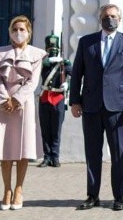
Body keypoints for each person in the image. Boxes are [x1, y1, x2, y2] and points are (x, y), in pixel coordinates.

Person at [69, 4, 123, 212]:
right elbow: (77, 73)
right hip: (91, 106)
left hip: (118, 107)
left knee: (119, 153)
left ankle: (119, 196)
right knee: (92, 153)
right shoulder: (87, 42)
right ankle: (93, 195)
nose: (109, 19)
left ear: (119, 19)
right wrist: (74, 100)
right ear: (99, 18)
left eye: (113, 16)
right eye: (105, 16)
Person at [0, 15, 47, 211]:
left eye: (22, 29)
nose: (18, 33)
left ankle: (19, 189)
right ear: (10, 32)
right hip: (3, 105)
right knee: (4, 149)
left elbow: (33, 82)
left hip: (24, 105)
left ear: (29, 32)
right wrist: (4, 100)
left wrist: (17, 99)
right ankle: (6, 190)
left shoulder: (36, 55)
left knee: (23, 149)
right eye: (14, 29)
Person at [37, 32, 71, 168]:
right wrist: (46, 61)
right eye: (50, 49)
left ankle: (55, 157)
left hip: (58, 98)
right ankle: (46, 157)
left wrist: (68, 84)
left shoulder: (64, 63)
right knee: (45, 130)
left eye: (54, 49)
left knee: (56, 130)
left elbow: (74, 75)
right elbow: (34, 72)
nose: (52, 51)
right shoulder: (42, 63)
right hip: (45, 98)